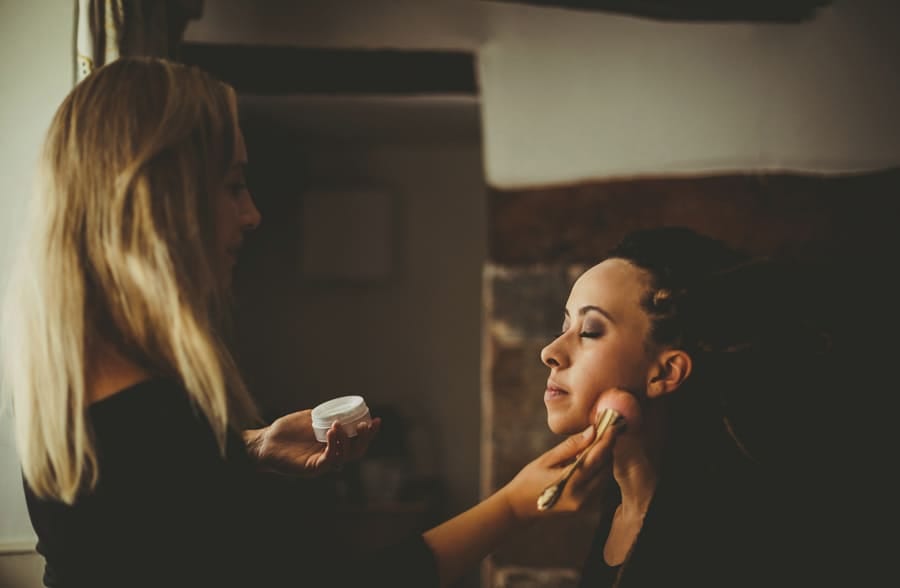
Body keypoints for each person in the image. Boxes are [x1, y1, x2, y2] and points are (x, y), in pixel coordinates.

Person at [0, 56, 623, 588]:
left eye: (589, 328)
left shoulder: (71, 388)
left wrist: (247, 451)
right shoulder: (154, 417)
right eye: (234, 185)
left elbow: (145, 509)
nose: (252, 216)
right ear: (161, 201)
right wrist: (513, 506)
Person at [538, 226, 855, 588]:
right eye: (564, 325)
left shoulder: (725, 540)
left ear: (666, 373)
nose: (549, 352)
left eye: (590, 330)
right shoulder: (618, 508)